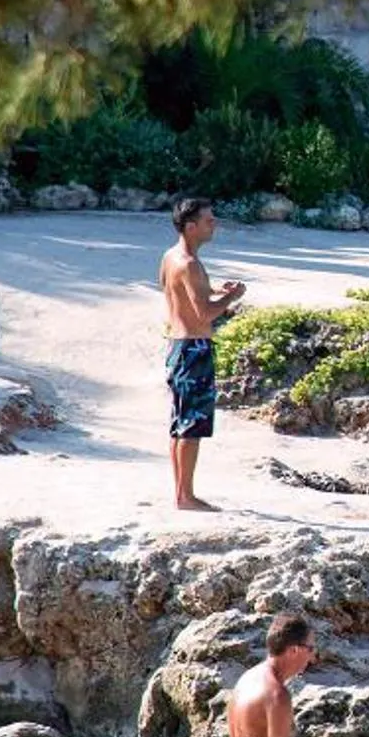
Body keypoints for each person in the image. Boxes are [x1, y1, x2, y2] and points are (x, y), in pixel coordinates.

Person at [158, 197, 247, 513]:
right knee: (191, 427)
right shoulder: (191, 264)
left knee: (180, 424)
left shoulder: (172, 257)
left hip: (176, 346)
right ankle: (186, 497)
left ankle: (182, 493)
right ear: (190, 226)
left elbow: (180, 295)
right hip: (193, 348)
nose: (214, 224)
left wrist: (215, 290)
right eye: (209, 221)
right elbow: (205, 314)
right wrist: (232, 298)